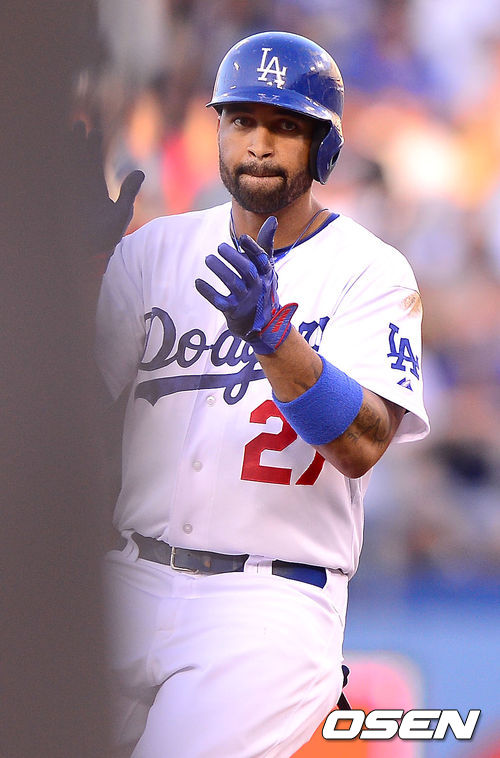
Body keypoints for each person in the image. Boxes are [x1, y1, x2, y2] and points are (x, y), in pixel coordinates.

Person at [95, 31, 429, 758]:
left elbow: (363, 443)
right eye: (242, 119)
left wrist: (276, 337)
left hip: (266, 604)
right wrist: (74, 274)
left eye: (285, 125)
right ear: (216, 129)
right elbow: (62, 420)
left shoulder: (370, 272)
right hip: (127, 574)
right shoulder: (153, 250)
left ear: (325, 148)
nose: (259, 142)